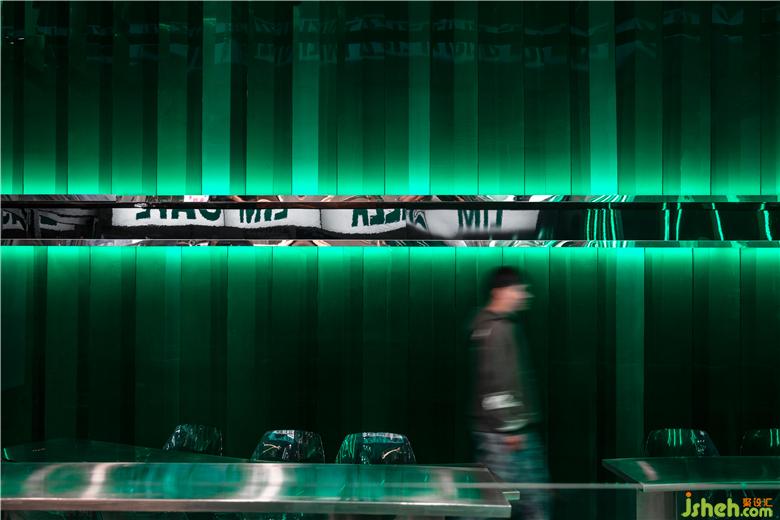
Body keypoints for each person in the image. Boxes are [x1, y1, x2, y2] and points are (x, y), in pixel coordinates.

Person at [470, 266, 549, 520]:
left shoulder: (492, 325)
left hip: (503, 431)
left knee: (507, 502)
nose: (524, 295)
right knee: (513, 503)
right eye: (519, 290)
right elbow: (495, 382)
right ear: (500, 292)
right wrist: (511, 428)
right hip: (505, 434)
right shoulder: (496, 329)